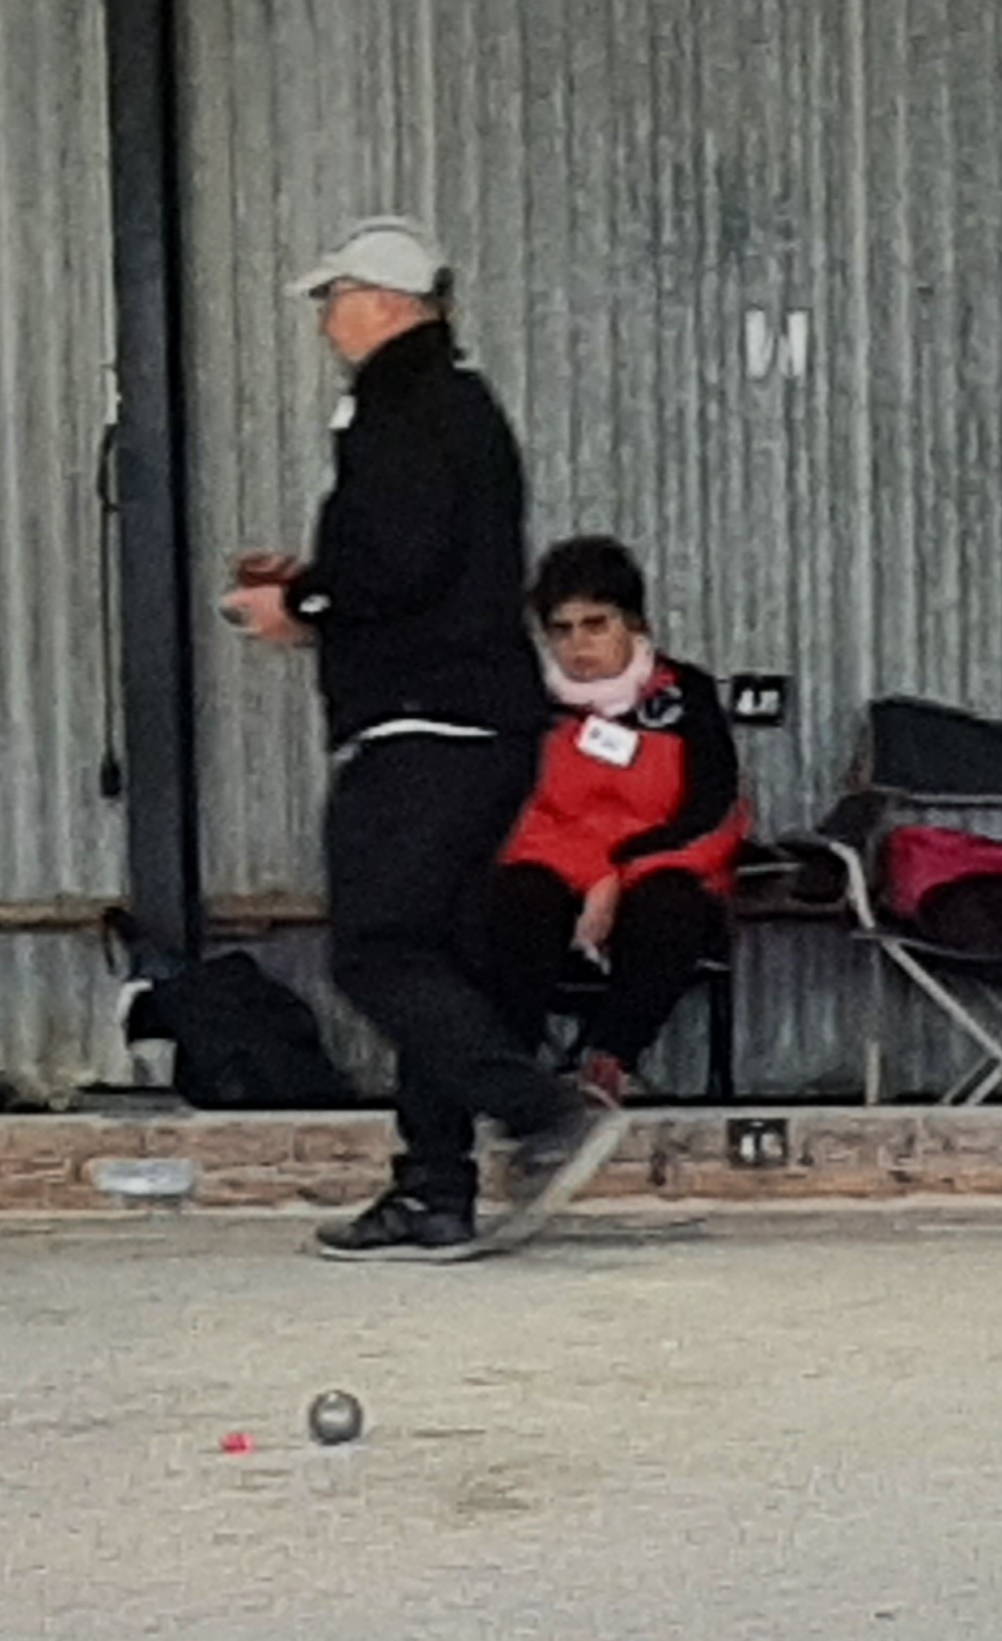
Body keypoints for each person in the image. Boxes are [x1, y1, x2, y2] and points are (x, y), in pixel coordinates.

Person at [219, 217, 619, 1260]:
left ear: (388, 304)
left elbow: (398, 561)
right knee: (435, 955)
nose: (325, 322)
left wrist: (302, 601)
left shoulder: (402, 406)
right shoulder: (454, 403)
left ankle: (539, 1109)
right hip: (477, 722)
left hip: (425, 725)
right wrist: (316, 586)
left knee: (378, 950)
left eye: (334, 300)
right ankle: (432, 1187)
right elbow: (424, 559)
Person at [472, 536, 751, 1101]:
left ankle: (610, 1061)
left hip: (659, 872)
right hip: (553, 868)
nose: (578, 645)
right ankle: (510, 1074)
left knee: (670, 907)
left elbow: (716, 809)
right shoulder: (523, 704)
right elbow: (507, 812)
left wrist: (621, 875)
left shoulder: (687, 695)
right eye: (561, 630)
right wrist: (594, 875)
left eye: (595, 624)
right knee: (514, 899)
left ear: (635, 623)